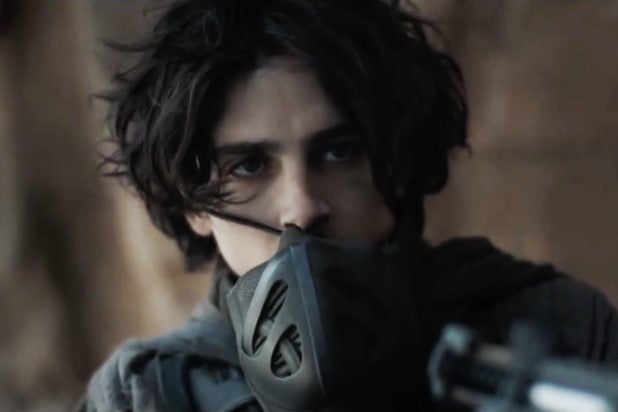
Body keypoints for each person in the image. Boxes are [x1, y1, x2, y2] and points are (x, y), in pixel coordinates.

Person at [77, 0, 618, 410]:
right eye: (250, 166)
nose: (302, 208)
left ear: (400, 162)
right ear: (192, 203)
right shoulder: (147, 394)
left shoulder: (555, 328)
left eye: (338, 152)